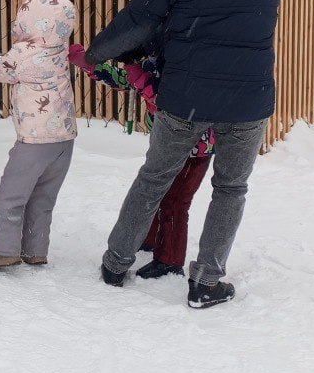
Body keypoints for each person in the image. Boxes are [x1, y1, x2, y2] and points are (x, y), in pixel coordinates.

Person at [85, 0, 282, 309]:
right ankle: (207, 282)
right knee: (231, 188)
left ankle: (116, 264)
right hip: (249, 99)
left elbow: (143, 19)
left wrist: (100, 52)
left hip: (187, 97)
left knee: (154, 177)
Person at [69, 44, 213, 279]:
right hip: (166, 142)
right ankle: (149, 237)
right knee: (156, 191)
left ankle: (170, 260)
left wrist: (138, 76)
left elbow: (167, 99)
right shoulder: (156, 58)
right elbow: (126, 79)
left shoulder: (187, 60)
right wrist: (91, 65)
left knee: (175, 201)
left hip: (195, 147)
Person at [0, 0, 78, 270]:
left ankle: (4, 250)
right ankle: (35, 250)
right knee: (43, 197)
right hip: (64, 141)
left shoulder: (24, 53)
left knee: (12, 194)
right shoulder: (59, 50)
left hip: (35, 141)